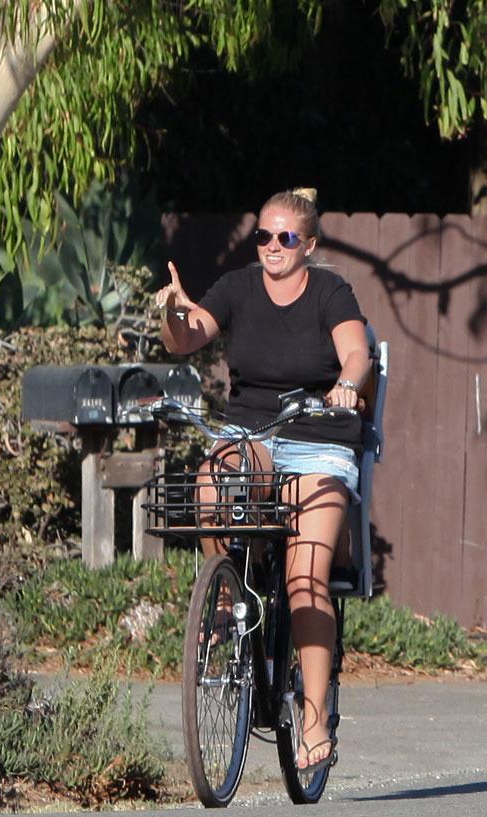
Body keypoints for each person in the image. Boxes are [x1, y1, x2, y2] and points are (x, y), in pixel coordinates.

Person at [156, 187, 370, 771]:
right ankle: (225, 596)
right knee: (212, 478)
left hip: (319, 439)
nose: (272, 247)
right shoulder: (237, 287)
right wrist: (174, 310)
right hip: (255, 431)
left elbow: (357, 351)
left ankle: (313, 716)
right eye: (264, 236)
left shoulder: (330, 291)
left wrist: (348, 382)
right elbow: (189, 335)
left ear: (309, 246)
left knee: (306, 579)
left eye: (286, 238)